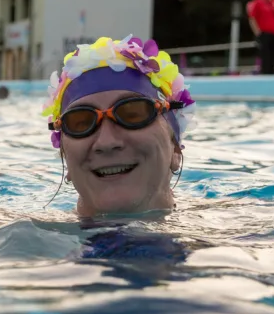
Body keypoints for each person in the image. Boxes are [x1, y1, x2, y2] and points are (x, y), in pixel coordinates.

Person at [42, 35, 196, 217]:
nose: (106, 142)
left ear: (175, 148)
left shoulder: (229, 232)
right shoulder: (23, 238)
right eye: (81, 122)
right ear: (66, 157)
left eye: (133, 115)